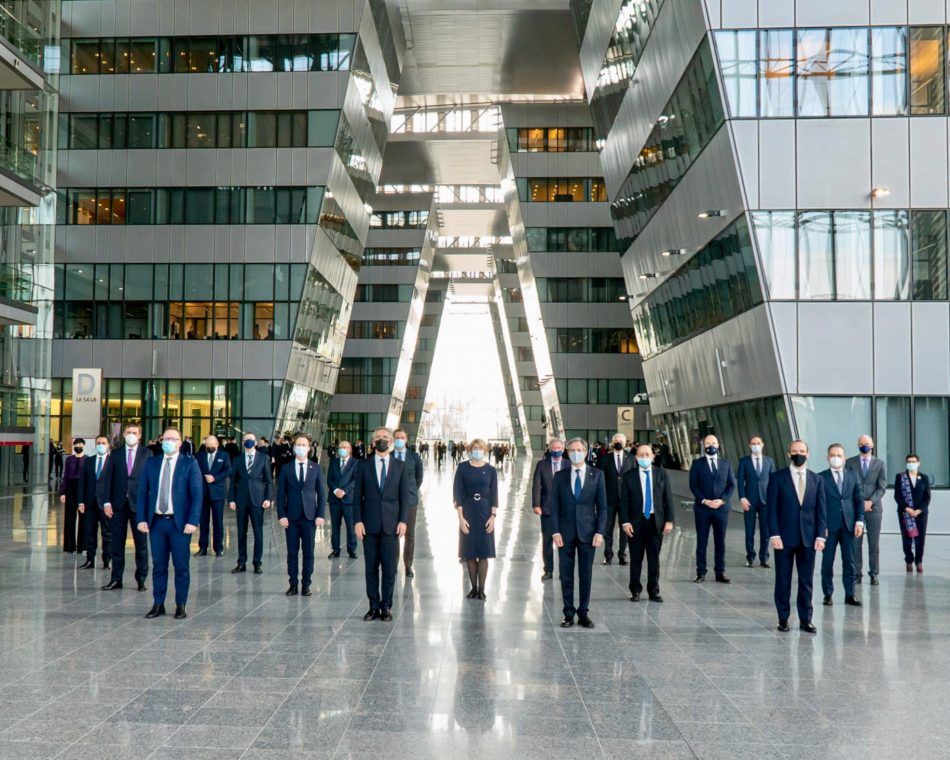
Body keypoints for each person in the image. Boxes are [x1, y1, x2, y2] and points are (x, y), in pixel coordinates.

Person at [136, 428, 202, 619]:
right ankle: (158, 603)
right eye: (166, 438)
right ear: (161, 441)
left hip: (179, 524)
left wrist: (193, 521)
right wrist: (141, 518)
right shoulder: (152, 463)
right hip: (157, 523)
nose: (169, 441)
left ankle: (181, 604)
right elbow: (142, 493)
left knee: (181, 566)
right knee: (159, 566)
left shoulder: (189, 463)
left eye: (173, 439)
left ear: (180, 442)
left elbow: (197, 495)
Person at [353, 426, 412, 622]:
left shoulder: (400, 466)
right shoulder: (363, 466)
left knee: (389, 568)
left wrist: (403, 520)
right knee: (371, 568)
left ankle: (386, 606)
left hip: (391, 525)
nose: (381, 440)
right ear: (372, 442)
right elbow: (356, 498)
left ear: (392, 442)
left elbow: (405, 497)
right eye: (378, 437)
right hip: (369, 525)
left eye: (385, 437)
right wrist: (358, 521)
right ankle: (373, 606)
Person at [768, 440, 827, 633]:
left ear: (808, 454)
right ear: (788, 454)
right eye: (794, 451)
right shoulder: (777, 478)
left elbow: (821, 510)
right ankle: (783, 618)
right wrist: (774, 534)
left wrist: (821, 535)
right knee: (783, 579)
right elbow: (772, 510)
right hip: (784, 537)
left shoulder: (816, 480)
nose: (798, 454)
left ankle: (806, 619)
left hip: (808, 538)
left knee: (806, 580)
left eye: (802, 451)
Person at [551, 438, 606, 629]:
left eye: (580, 450)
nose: (576, 452)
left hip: (588, 533)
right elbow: (555, 507)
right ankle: (568, 613)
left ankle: (583, 612)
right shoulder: (560, 476)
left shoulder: (597, 475)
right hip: (564, 533)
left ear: (586, 452)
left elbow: (603, 507)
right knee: (566, 575)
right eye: (572, 450)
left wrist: (600, 532)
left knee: (585, 574)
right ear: (567, 452)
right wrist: (555, 531)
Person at [620, 444, 674, 602]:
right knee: (636, 558)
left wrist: (669, 520)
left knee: (654, 558)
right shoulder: (629, 476)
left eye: (647, 454)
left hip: (655, 522)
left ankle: (654, 591)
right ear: (636, 458)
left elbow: (668, 499)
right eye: (641, 455)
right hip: (636, 522)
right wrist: (624, 522)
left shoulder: (661, 474)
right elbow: (624, 502)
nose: (644, 457)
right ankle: (635, 590)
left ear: (652, 456)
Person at [101, 423, 152, 592]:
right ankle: (116, 579)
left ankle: (141, 579)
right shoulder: (115, 454)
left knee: (141, 545)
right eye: (128, 432)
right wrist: (106, 502)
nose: (131, 435)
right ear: (123, 434)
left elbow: (151, 482)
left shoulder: (147, 453)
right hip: (118, 505)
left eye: (134, 432)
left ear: (139, 435)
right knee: (117, 544)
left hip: (139, 506)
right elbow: (107, 479)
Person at [276, 434, 326, 596]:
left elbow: (322, 493)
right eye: (298, 444)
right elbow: (280, 493)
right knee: (292, 553)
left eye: (304, 445)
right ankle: (293, 584)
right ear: (294, 447)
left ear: (309, 448)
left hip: (310, 517)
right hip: (291, 516)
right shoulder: (286, 468)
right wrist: (281, 515)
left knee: (309, 552)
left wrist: (321, 514)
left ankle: (306, 584)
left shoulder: (316, 468)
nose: (301, 447)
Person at [454, 439, 500, 600]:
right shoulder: (462, 468)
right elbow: (458, 493)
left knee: (484, 553)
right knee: (470, 553)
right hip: (468, 513)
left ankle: (482, 589)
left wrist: (493, 517)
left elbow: (494, 494)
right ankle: (473, 588)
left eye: (480, 448)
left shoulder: (491, 470)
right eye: (474, 448)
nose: (477, 451)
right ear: (469, 450)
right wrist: (460, 517)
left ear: (485, 451)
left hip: (485, 513)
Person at [819, 444, 864, 607]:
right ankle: (827, 594)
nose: (836, 458)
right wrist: (820, 525)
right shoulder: (821, 478)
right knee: (827, 562)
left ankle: (850, 594)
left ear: (844, 458)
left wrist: (860, 521)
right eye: (832, 455)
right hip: (829, 527)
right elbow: (819, 504)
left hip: (849, 526)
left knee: (850, 562)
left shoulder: (853, 476)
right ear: (827, 457)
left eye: (839, 455)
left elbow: (859, 500)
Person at [688, 434, 735, 584]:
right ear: (704, 445)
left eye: (713, 442)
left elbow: (731, 484)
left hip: (721, 509)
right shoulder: (697, 464)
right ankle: (700, 572)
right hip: (703, 509)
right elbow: (693, 485)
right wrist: (705, 501)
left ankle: (720, 572)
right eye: (708, 443)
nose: (711, 446)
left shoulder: (726, 463)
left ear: (718, 445)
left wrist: (722, 500)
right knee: (702, 541)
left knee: (720, 541)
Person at [845, 435, 886, 586]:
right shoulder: (850, 462)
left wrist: (870, 502)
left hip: (874, 508)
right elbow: (848, 484)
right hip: (856, 508)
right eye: (861, 444)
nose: (864, 446)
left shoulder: (880, 463)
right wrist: (859, 502)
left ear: (872, 445)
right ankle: (857, 573)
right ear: (858, 445)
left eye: (867, 444)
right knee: (856, 542)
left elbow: (882, 486)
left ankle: (874, 573)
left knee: (873, 543)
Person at [229, 432, 272, 574]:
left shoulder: (263, 458)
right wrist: (231, 499)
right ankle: (241, 562)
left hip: (257, 500)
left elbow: (268, 481)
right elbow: (233, 481)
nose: (248, 442)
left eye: (251, 440)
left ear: (255, 442)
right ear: (243, 443)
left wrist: (268, 498)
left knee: (258, 532)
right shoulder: (237, 459)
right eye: (246, 440)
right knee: (241, 533)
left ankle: (257, 563)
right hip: (241, 500)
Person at [531, 438, 568, 581]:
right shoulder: (542, 465)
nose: (557, 450)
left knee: (564, 542)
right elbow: (536, 486)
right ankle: (548, 570)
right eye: (554, 447)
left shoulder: (568, 464)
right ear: (549, 449)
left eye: (559, 447)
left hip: (565, 511)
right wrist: (536, 504)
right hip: (546, 509)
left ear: (563, 448)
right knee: (547, 541)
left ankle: (563, 571)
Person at [736, 435, 775, 568]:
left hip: (766, 501)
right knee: (749, 530)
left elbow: (773, 481)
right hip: (749, 500)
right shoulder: (744, 462)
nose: (756, 445)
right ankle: (750, 557)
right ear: (749, 446)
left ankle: (764, 558)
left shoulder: (769, 461)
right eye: (753, 443)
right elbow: (740, 481)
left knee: (766, 531)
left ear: (763, 444)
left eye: (758, 443)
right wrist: (742, 497)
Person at [393, 429, 424, 578]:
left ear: (406, 440)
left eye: (402, 437)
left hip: (410, 500)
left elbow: (419, 478)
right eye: (397, 437)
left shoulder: (414, 457)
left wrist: (409, 491)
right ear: (393, 440)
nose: (399, 440)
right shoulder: (389, 456)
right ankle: (393, 564)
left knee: (409, 534)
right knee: (392, 533)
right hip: (392, 501)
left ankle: (408, 565)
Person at [78, 435, 112, 570]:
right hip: (90, 503)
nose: (101, 445)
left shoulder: (112, 462)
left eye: (103, 443)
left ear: (108, 445)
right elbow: (82, 483)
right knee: (89, 533)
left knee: (107, 534)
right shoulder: (88, 461)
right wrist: (81, 501)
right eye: (98, 443)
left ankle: (107, 560)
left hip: (106, 504)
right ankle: (90, 560)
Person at [600, 433, 633, 566]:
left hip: (626, 500)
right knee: (608, 529)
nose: (619, 443)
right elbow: (600, 479)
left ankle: (622, 555)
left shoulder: (631, 459)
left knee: (624, 528)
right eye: (616, 441)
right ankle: (608, 555)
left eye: (621, 441)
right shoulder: (604, 459)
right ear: (612, 443)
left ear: (625, 444)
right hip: (609, 499)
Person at [895, 454, 931, 573]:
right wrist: (907, 509)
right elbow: (898, 495)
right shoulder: (900, 477)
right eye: (909, 461)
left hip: (921, 513)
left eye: (913, 461)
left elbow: (927, 497)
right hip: (905, 512)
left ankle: (919, 561)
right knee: (907, 538)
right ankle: (909, 560)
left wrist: (919, 510)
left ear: (918, 463)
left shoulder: (924, 478)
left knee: (920, 538)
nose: (911, 463)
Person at [195, 434, 230, 558]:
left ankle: (218, 548)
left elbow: (228, 471)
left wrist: (215, 478)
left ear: (217, 445)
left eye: (212, 445)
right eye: (207, 445)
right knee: (203, 522)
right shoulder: (199, 456)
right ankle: (202, 547)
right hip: (203, 493)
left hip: (217, 493)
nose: (209, 447)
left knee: (218, 522)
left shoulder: (224, 456)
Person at [327, 440, 358, 559]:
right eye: (340, 447)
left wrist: (344, 491)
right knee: (335, 526)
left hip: (348, 499)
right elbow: (329, 478)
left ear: (350, 449)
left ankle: (352, 549)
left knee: (350, 525)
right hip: (334, 500)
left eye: (345, 447)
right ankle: (335, 549)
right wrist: (335, 490)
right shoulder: (333, 462)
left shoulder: (356, 463)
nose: (342, 449)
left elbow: (355, 480)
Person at [59, 438, 87, 554]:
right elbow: (65, 476)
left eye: (80, 444)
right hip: (70, 488)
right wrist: (63, 492)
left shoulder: (88, 460)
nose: (78, 446)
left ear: (84, 446)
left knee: (83, 518)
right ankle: (69, 546)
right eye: (76, 444)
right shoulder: (69, 459)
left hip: (83, 489)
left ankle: (82, 546)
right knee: (69, 518)